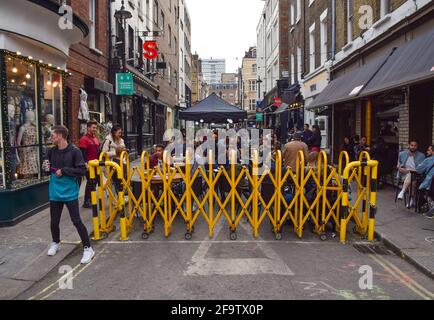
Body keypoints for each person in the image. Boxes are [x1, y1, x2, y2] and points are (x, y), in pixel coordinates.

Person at [43, 126, 95, 264]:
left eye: (52, 135)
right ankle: (55, 242)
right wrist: (46, 169)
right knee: (54, 221)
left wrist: (64, 170)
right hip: (54, 191)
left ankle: (88, 248)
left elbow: (82, 171)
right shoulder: (51, 151)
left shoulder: (74, 151)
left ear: (60, 136)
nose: (51, 138)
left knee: (76, 221)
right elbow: (47, 172)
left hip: (70, 192)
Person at [396, 140, 426, 207]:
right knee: (411, 179)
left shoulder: (421, 156)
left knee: (411, 177)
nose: (413, 147)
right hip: (403, 174)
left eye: (415, 145)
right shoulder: (402, 154)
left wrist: (411, 170)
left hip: (416, 175)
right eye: (412, 145)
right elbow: (398, 165)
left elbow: (421, 169)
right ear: (408, 145)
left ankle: (403, 191)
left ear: (417, 147)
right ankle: (411, 199)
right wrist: (399, 168)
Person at [79, 120, 100, 208]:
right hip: (89, 165)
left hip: (96, 164)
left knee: (94, 182)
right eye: (93, 127)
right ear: (88, 128)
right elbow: (82, 153)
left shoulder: (95, 138)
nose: (95, 129)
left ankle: (91, 199)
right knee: (90, 182)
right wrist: (85, 164)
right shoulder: (84, 139)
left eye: (95, 128)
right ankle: (86, 201)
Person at [416, 145, 434, 218]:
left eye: (429, 150)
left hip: (429, 184)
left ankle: (428, 209)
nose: (427, 152)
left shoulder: (428, 160)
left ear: (433, 152)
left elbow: (418, 169)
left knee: (420, 188)